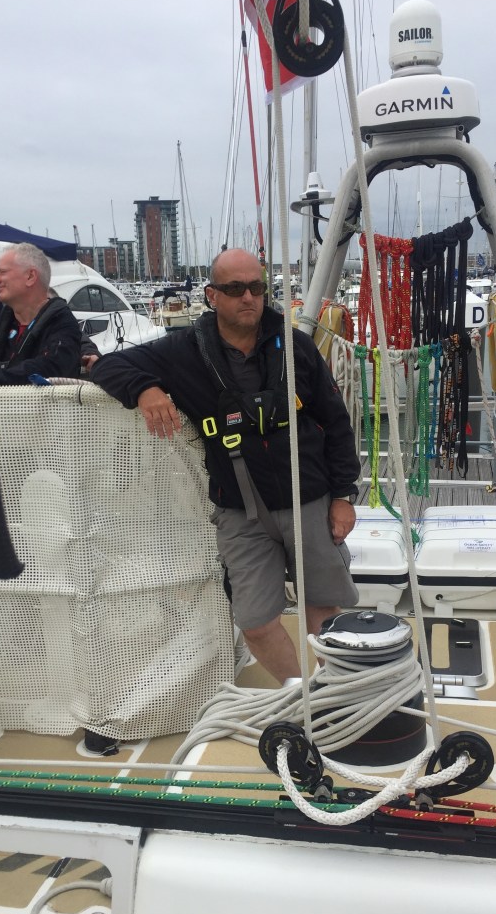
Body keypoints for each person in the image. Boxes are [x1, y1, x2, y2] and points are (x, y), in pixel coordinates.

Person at [88, 248, 361, 721]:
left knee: (322, 608)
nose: (248, 298)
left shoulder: (296, 347)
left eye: (256, 287)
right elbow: (108, 366)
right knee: (254, 622)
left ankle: (337, 695)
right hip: (240, 512)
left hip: (309, 500)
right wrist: (146, 390)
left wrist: (343, 496)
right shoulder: (182, 351)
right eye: (235, 289)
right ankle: (303, 698)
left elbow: (336, 423)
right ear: (213, 295)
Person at [0, 242, 87, 384]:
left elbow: (52, 368)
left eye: (3, 272)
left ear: (30, 276)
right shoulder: (5, 322)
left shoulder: (61, 322)